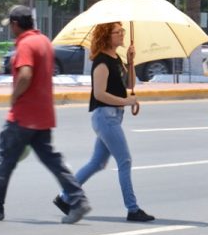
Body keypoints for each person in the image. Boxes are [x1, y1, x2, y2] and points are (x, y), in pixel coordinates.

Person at [0, 5, 91, 224]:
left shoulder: (25, 44)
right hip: (43, 115)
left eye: (11, 25)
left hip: (23, 116)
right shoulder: (44, 41)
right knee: (53, 160)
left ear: (15, 24)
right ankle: (78, 200)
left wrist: (14, 96)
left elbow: (25, 74)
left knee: (4, 158)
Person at [53, 22, 155, 222]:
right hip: (105, 117)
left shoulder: (116, 58)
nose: (122, 35)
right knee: (125, 161)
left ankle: (65, 197)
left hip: (113, 116)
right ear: (107, 36)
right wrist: (126, 101)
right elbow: (99, 94)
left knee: (97, 163)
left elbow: (130, 84)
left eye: (122, 31)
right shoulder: (101, 61)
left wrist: (131, 62)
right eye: (118, 32)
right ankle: (133, 209)